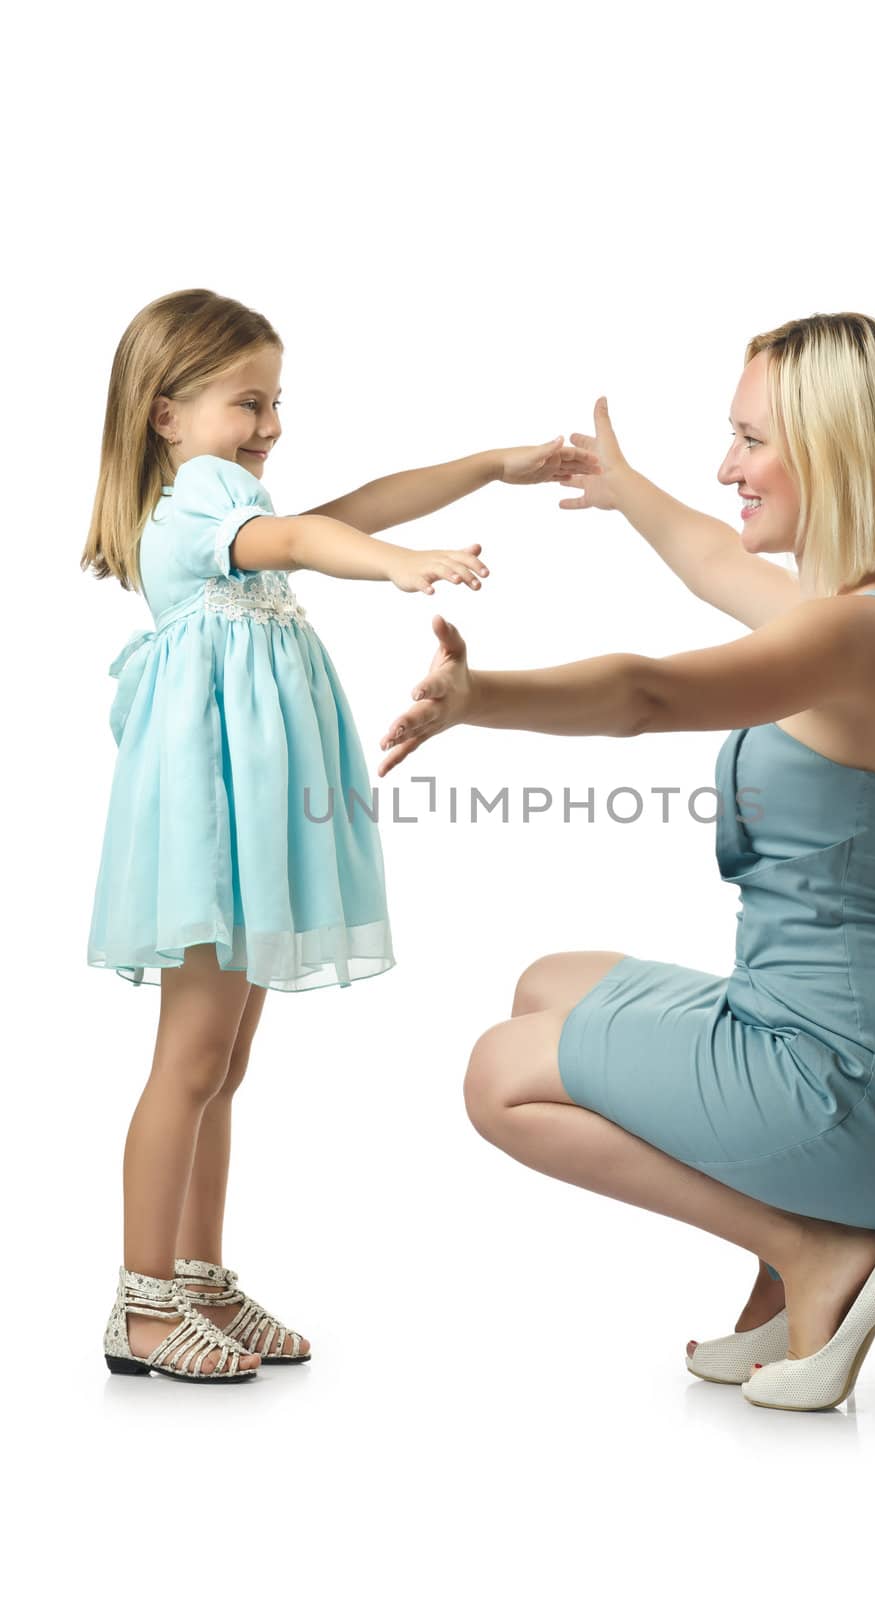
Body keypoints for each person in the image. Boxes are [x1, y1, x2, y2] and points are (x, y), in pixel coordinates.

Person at [377, 312, 875, 1413]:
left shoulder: (852, 640)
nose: (727, 468)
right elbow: (714, 559)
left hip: (862, 1087)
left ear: (836, 446)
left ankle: (820, 1256)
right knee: (548, 983)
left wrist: (483, 700)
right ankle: (785, 1273)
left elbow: (645, 690)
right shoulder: (873, 608)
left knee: (499, 1072)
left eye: (752, 440)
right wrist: (626, 490)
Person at [84, 287, 600, 1382]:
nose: (268, 426)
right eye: (247, 403)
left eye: (276, 402)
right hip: (212, 831)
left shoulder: (233, 513)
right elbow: (322, 533)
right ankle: (140, 1306)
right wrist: (397, 564)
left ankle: (195, 1274)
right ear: (166, 414)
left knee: (221, 1064)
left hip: (249, 827)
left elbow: (353, 502)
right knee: (189, 1059)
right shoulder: (197, 509)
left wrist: (491, 466)